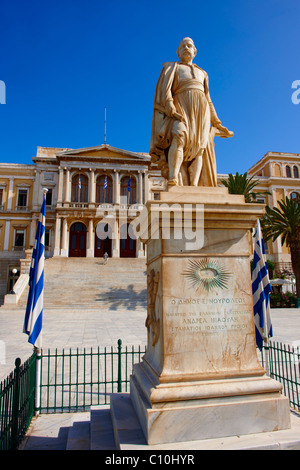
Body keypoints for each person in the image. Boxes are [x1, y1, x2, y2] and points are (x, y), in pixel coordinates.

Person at [150, 37, 233, 187]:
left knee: (199, 148)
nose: (186, 48)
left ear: (195, 51)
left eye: (189, 45)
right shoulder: (172, 67)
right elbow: (165, 90)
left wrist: (216, 122)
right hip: (181, 106)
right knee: (179, 136)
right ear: (178, 52)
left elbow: (208, 99)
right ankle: (173, 178)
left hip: (201, 113)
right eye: (183, 46)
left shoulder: (203, 73)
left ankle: (194, 186)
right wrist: (170, 105)